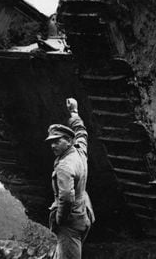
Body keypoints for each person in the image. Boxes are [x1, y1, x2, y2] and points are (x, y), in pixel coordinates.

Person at [46, 98, 95, 259]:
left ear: (68, 141)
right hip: (83, 215)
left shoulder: (64, 166)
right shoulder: (79, 151)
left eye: (57, 141)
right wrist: (74, 112)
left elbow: (66, 197)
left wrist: (60, 220)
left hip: (70, 224)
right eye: (51, 142)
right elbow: (81, 132)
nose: (53, 146)